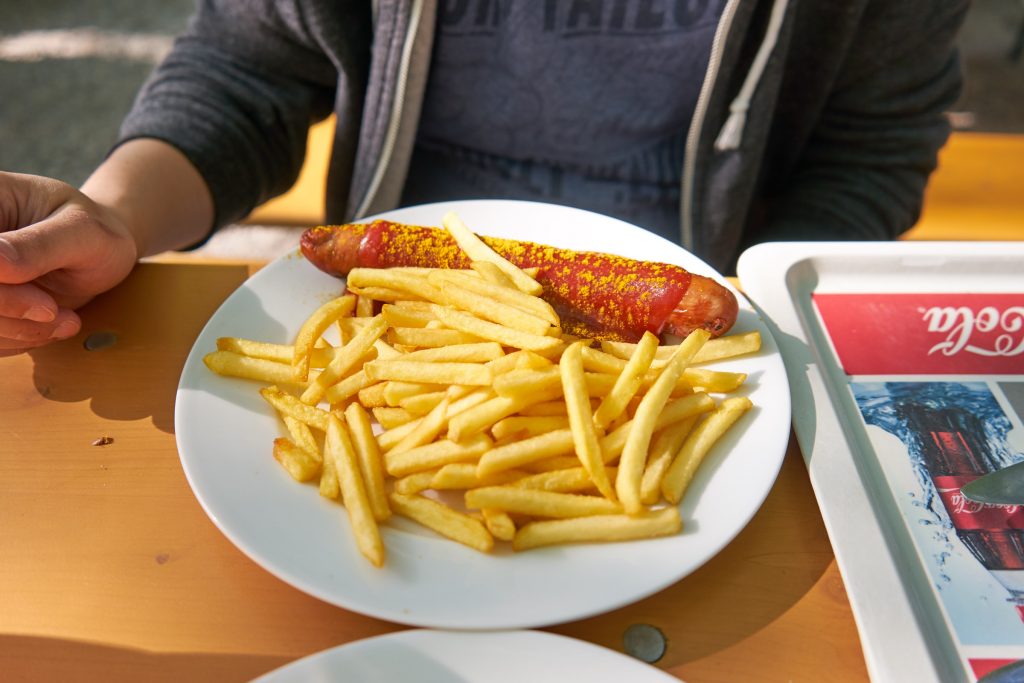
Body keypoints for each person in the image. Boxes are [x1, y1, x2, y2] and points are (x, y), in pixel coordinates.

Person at [0, 0, 969, 356]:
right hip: (384, 338)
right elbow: (248, 70)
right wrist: (113, 215)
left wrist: (763, 320)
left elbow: (871, 147)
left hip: (686, 354)